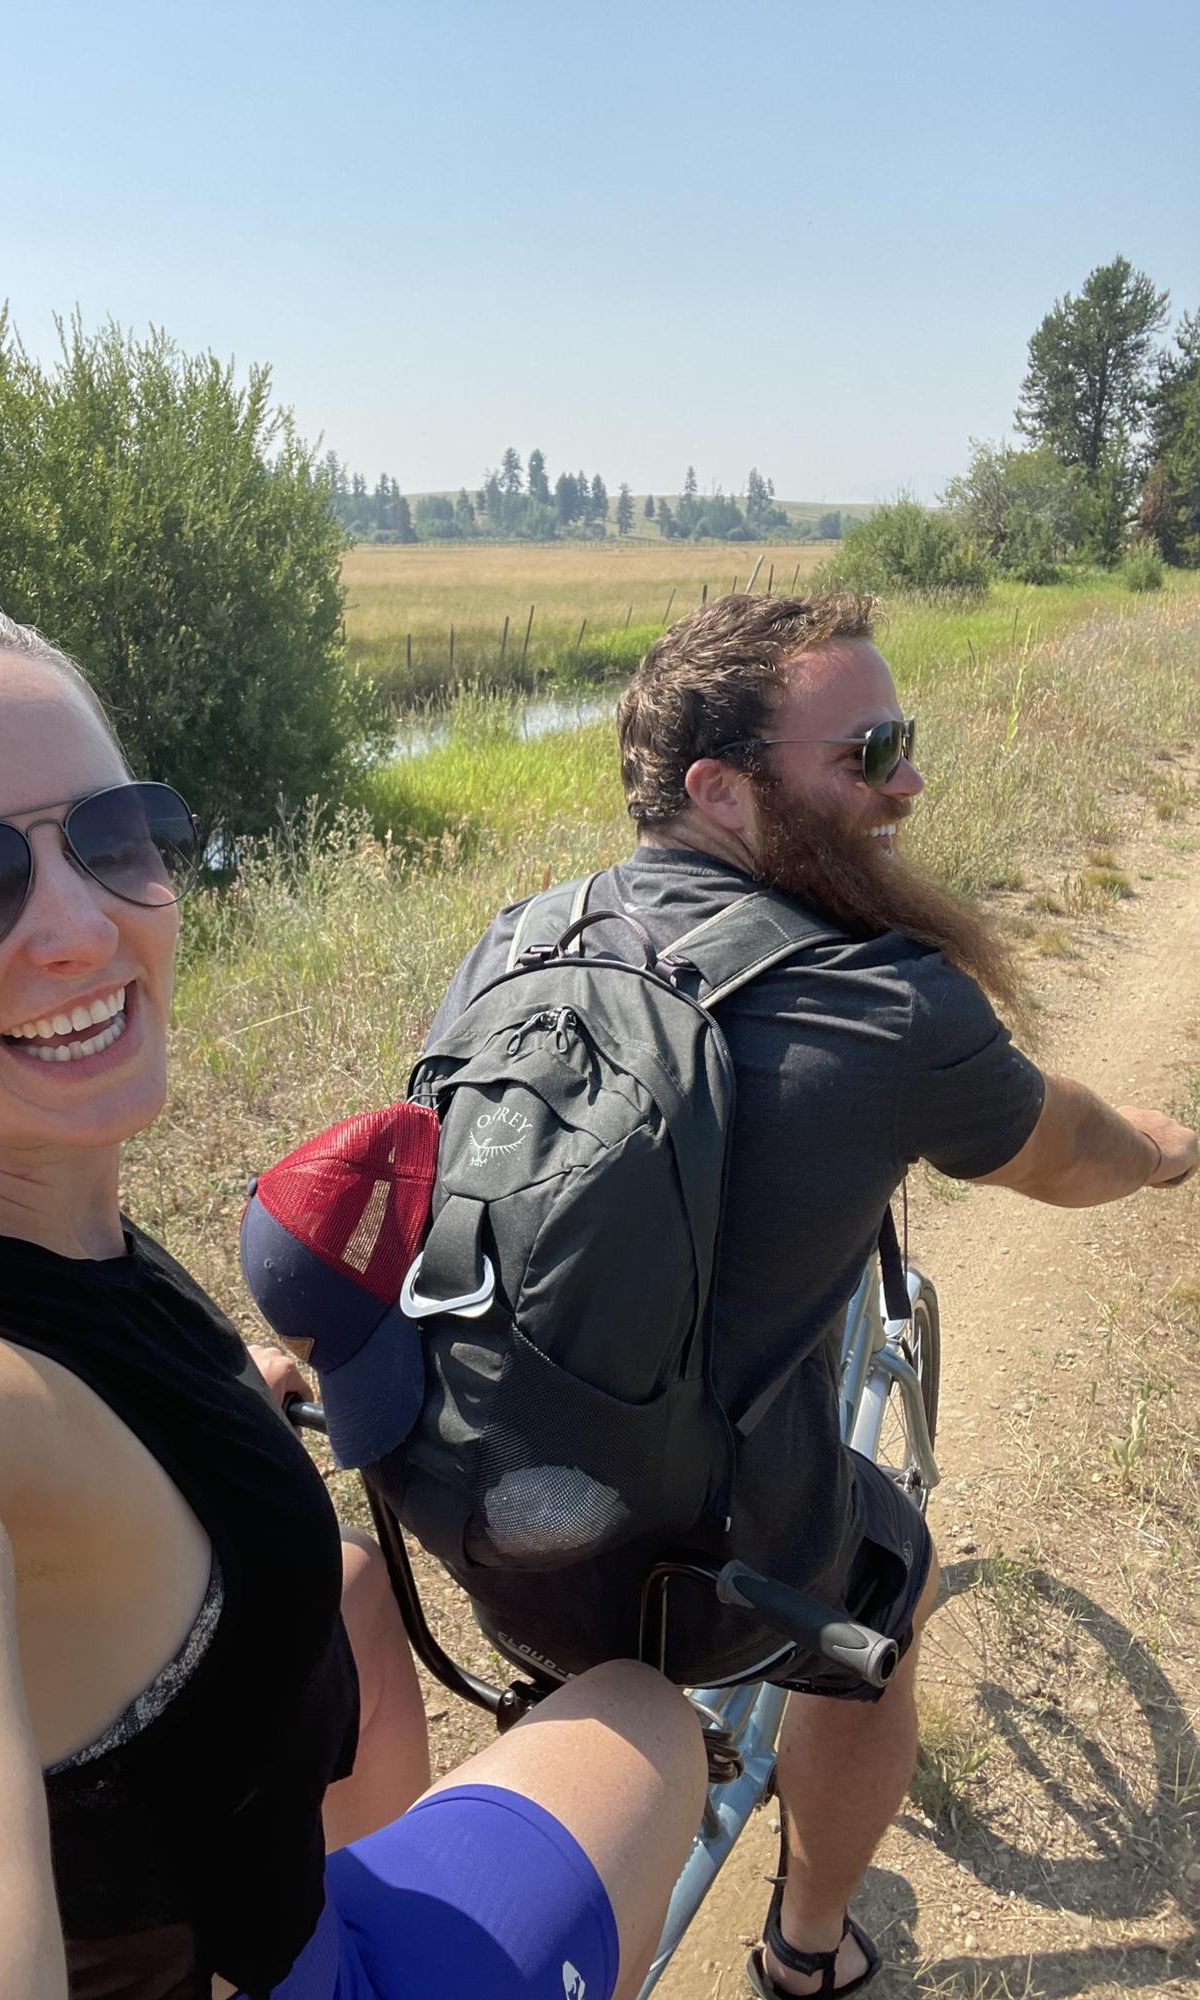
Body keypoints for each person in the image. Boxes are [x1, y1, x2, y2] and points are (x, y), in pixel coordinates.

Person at [0, 599, 708, 2000]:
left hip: (252, 1897)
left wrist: (226, 1377)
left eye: (111, 839)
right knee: (651, 1721)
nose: (78, 927)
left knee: (351, 1591)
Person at [427, 590, 1197, 2000]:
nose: (909, 781)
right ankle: (810, 1946)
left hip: (475, 1521)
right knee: (889, 1595)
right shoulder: (888, 1001)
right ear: (721, 791)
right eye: (871, 752)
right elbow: (1070, 1150)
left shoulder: (516, 940)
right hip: (697, 1575)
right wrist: (1162, 1150)